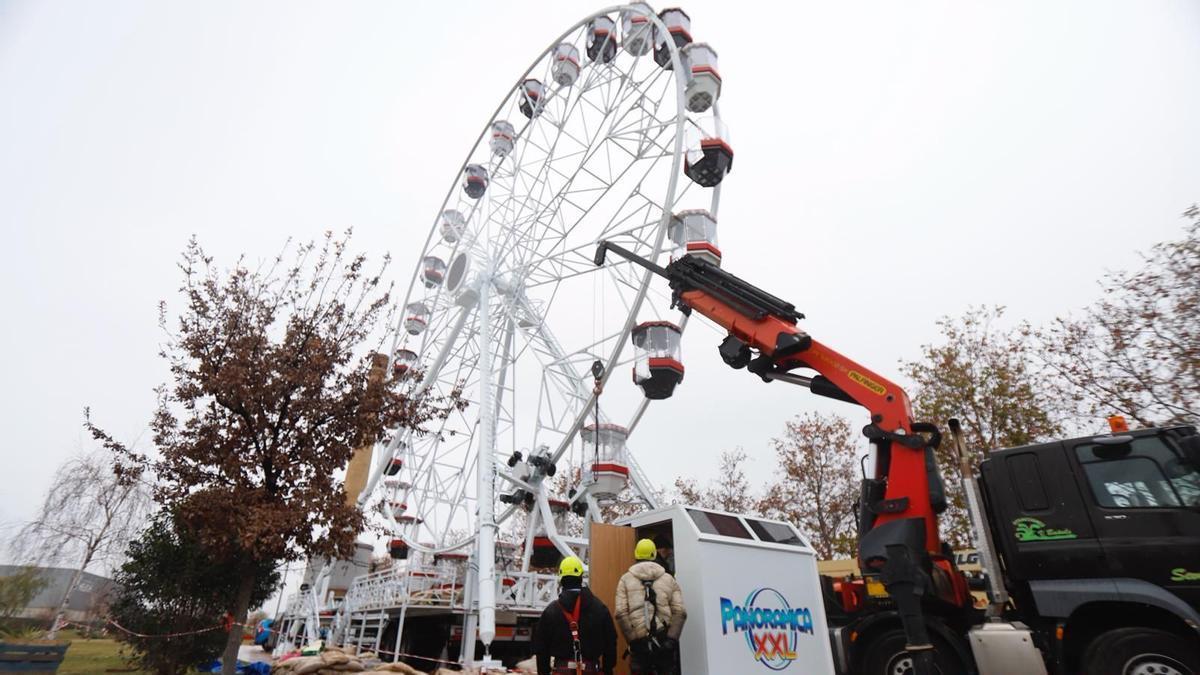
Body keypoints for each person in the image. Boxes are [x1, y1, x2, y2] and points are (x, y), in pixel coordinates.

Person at [531, 555, 618, 675]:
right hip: (591, 670)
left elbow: (541, 648)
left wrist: (544, 672)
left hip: (562, 671)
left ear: (561, 579)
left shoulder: (551, 612)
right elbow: (611, 641)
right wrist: (608, 670)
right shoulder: (599, 608)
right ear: (581, 577)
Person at [613, 539, 687, 675]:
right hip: (664, 642)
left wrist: (634, 641)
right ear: (654, 555)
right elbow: (680, 612)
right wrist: (671, 640)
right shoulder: (668, 579)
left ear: (636, 555)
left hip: (639, 645)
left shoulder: (625, 579)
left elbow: (620, 613)